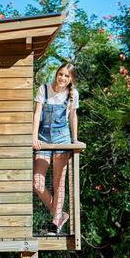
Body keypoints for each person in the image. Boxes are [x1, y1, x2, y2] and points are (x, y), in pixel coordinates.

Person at [32, 63, 84, 235]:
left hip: (62, 138)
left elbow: (73, 116)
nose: (62, 78)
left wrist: (74, 140)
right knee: (37, 183)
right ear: (57, 74)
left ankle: (55, 222)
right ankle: (60, 214)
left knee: (58, 182)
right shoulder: (44, 89)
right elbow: (37, 114)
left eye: (67, 76)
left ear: (71, 79)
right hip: (43, 138)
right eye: (60, 74)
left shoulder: (73, 94)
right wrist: (34, 137)